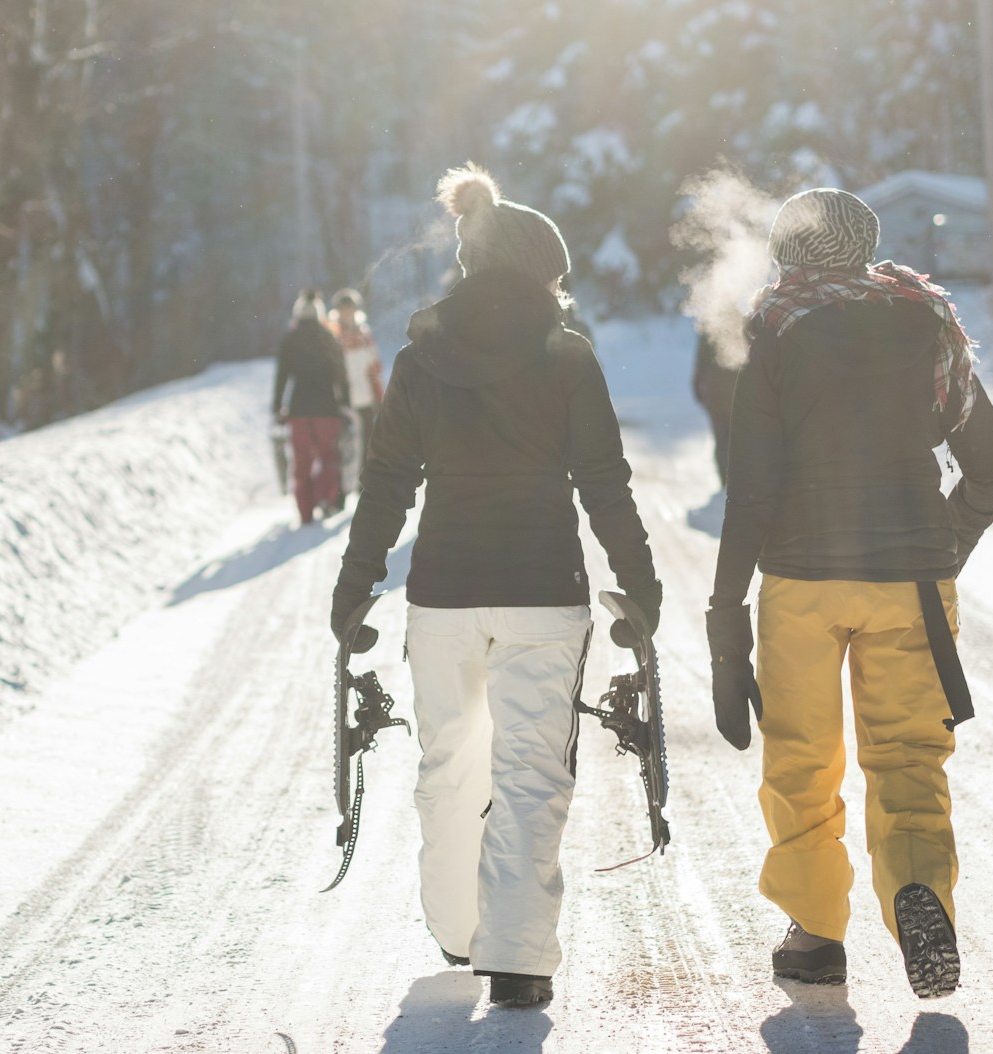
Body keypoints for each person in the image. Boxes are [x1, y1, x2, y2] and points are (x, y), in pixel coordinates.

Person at [330, 162, 661, 1008]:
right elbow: (604, 480)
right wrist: (641, 582)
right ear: (541, 272)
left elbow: (388, 481)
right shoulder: (567, 356)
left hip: (442, 592)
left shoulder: (419, 358)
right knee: (529, 770)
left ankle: (456, 929)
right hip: (545, 590)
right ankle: (516, 958)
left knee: (448, 765)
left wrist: (355, 584)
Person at [706, 188, 993, 998]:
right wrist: (948, 545)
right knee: (909, 754)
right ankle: (919, 889)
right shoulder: (928, 321)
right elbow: (987, 466)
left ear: (789, 251)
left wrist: (724, 609)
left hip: (802, 579)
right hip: (911, 578)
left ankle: (813, 934)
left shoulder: (776, 326)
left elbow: (754, 487)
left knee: (803, 756)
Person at [272, 289, 350, 524]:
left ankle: (305, 511)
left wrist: (278, 407)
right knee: (328, 456)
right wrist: (345, 402)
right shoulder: (328, 336)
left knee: (302, 461)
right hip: (327, 408)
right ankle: (325, 498)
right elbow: (341, 374)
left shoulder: (290, 339)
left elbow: (282, 376)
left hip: (298, 410)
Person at [329, 287, 384, 496]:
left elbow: (376, 364)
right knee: (346, 446)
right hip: (345, 400)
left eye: (350, 309)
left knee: (368, 444)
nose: (347, 313)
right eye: (343, 309)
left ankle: (364, 485)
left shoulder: (364, 333)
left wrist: (378, 392)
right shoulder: (333, 336)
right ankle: (343, 488)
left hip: (367, 397)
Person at [691, 329, 740, 488]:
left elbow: (701, 358)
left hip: (715, 389)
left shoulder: (710, 323)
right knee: (738, 437)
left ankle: (725, 478)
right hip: (736, 389)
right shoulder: (741, 318)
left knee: (721, 436)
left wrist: (697, 385)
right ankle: (735, 478)